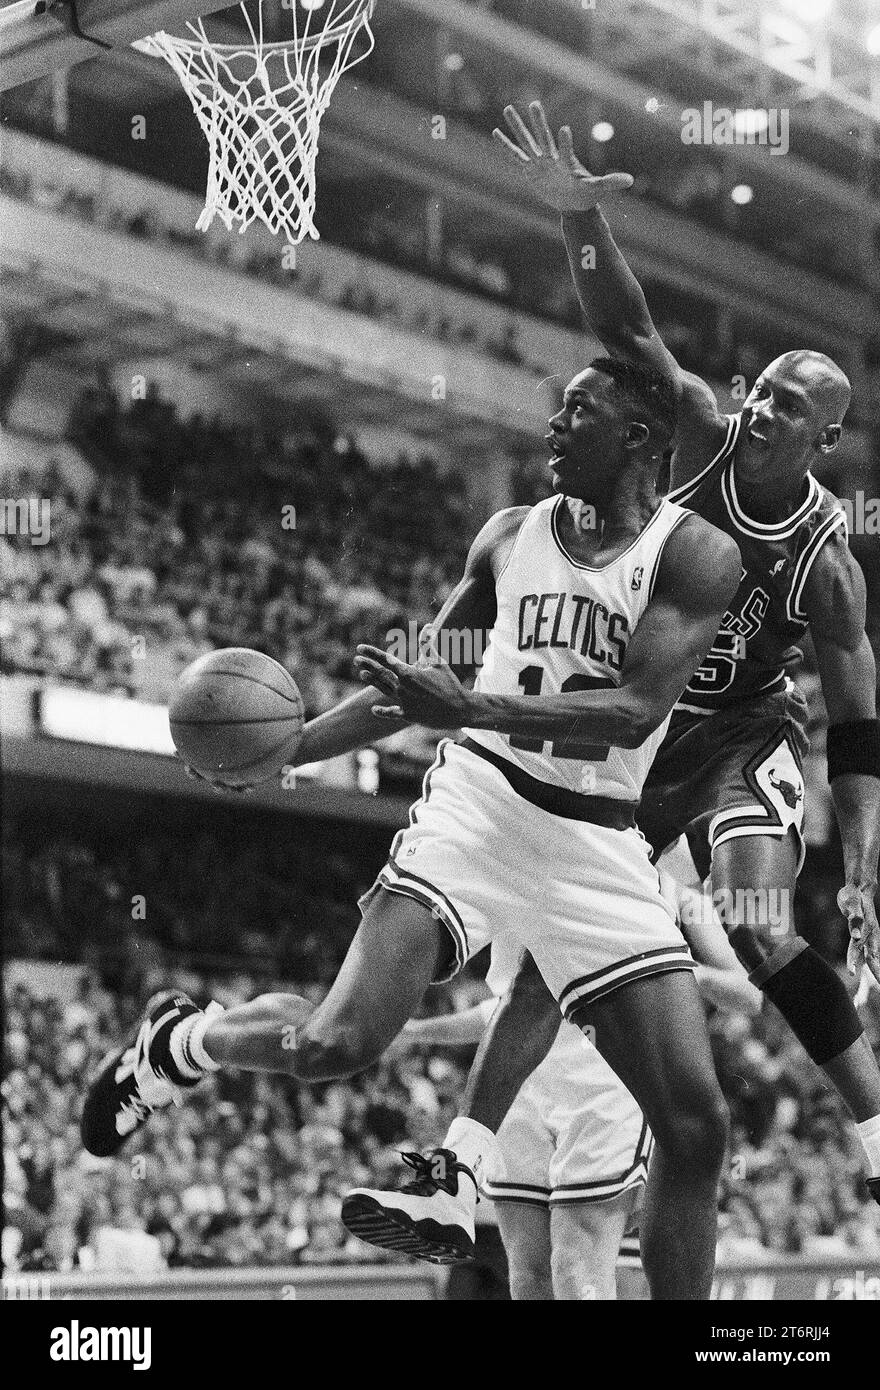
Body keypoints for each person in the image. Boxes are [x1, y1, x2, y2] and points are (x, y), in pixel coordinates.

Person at [81, 352, 742, 1299]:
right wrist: (291, 746)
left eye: (578, 411)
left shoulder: (694, 555)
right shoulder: (510, 538)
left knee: (697, 1123)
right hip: (478, 808)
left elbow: (635, 711)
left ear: (639, 435)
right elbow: (411, 692)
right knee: (332, 1048)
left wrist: (468, 706)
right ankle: (185, 1044)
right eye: (557, 408)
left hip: (596, 840)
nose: (553, 425)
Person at [351, 102, 880, 1265]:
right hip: (640, 735)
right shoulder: (692, 436)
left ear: (821, 437)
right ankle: (461, 1168)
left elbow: (855, 717)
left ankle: (876, 1129)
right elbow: (628, 327)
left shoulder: (826, 561)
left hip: (738, 734)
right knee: (549, 945)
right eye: (759, 390)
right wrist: (581, 216)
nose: (758, 407)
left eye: (787, 405)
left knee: (754, 924)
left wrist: (867, 851)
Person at [399, 845, 761, 1299]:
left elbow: (749, 994)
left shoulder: (672, 891)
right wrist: (413, 1030)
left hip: (608, 1081)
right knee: (529, 1273)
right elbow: (505, 1011)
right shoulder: (512, 863)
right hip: (520, 1081)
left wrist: (668, 972)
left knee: (579, 1271)